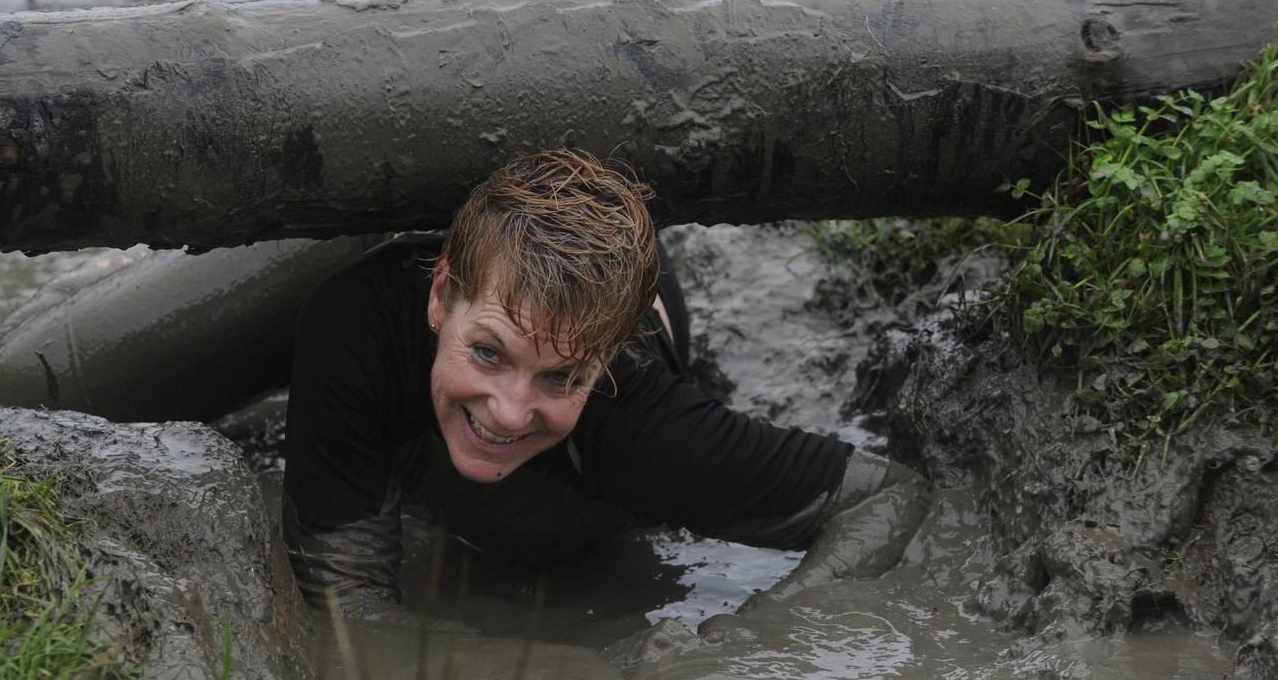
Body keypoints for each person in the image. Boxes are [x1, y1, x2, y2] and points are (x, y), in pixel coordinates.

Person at [282, 149, 911, 612]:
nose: (508, 412)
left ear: (605, 361)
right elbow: (347, 605)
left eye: (560, 379)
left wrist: (759, 628)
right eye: (488, 354)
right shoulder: (357, 325)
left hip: (594, 450)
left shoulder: (644, 426)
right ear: (441, 295)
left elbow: (888, 496)